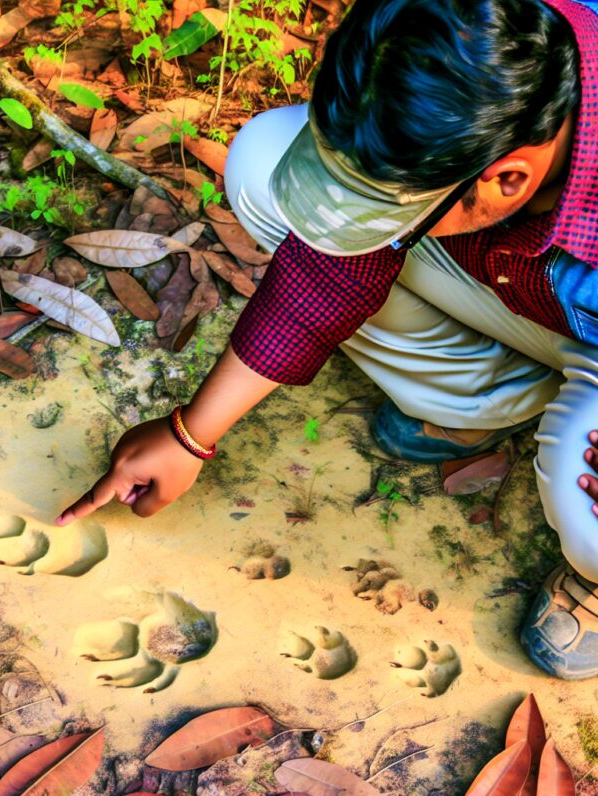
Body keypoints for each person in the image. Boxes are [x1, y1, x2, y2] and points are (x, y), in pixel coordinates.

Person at [58, 0, 598, 680]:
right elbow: (334, 260)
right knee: (263, 161)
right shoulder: (483, 29)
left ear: (508, 178)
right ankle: (479, 400)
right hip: (535, 283)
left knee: (596, 528)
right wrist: (190, 433)